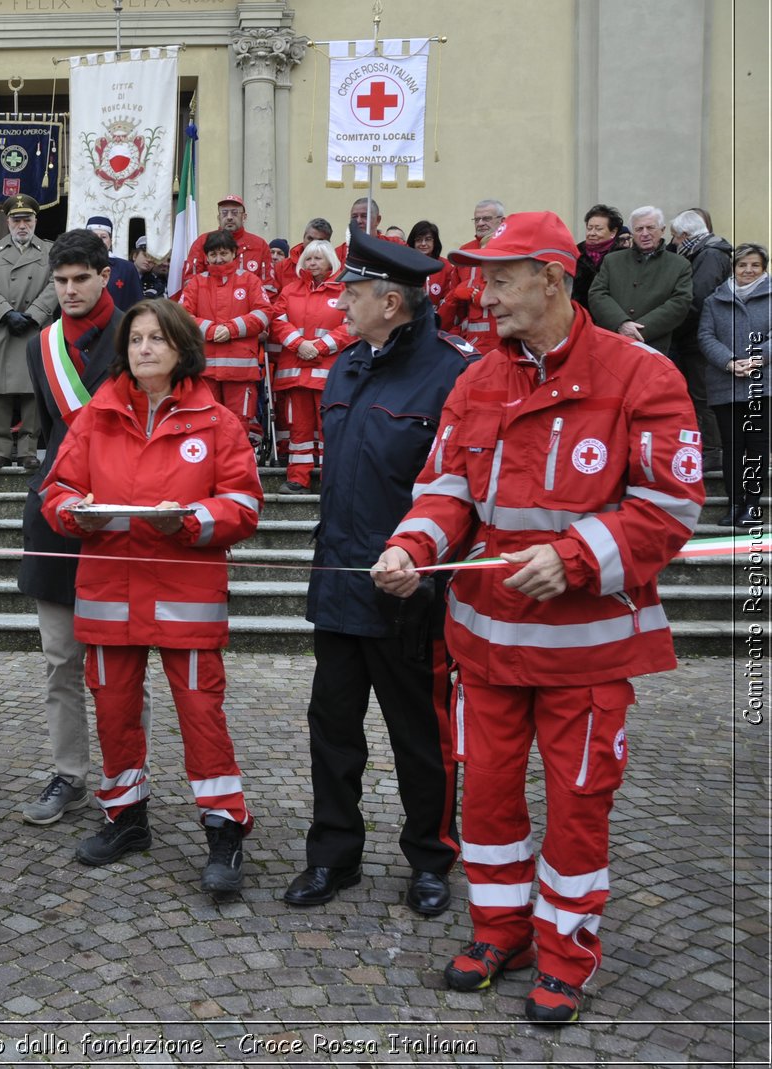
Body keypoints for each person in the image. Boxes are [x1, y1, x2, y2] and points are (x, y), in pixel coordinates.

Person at [373, 211, 703, 1025]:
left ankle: (565, 952)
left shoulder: (641, 375)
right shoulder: (476, 379)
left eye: (498, 278)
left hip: (584, 658)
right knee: (483, 798)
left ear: (552, 277)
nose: (480, 294)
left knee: (578, 805)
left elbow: (670, 507)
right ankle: (500, 930)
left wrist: (578, 555)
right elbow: (446, 488)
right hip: (485, 646)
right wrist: (414, 547)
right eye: (480, 279)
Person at [40, 298, 263, 892]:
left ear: (182, 348)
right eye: (136, 338)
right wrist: (74, 514)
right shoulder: (95, 417)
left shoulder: (218, 422)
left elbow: (243, 506)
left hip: (184, 599)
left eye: (157, 339)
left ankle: (224, 830)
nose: (143, 348)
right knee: (114, 716)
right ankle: (125, 817)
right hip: (111, 597)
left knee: (202, 718)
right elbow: (58, 490)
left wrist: (190, 521)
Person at [283, 231, 474, 916]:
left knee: (420, 738)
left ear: (391, 301)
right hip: (339, 581)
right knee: (332, 731)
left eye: (352, 292)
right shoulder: (345, 365)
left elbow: (463, 489)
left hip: (410, 594)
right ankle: (333, 855)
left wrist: (426, 572)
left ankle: (430, 856)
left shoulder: (454, 372)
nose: (340, 301)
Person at [17, 229, 123, 825]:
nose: (70, 290)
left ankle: (125, 777)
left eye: (81, 278)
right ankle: (69, 774)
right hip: (56, 517)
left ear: (104, 275)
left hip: (121, 516)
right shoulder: (43, 346)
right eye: (60, 281)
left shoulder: (142, 331)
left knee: (119, 663)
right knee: (60, 660)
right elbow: (56, 430)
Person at [0, 194, 59, 468]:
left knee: (32, 390)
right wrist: (6, 313)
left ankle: (28, 449)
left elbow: (54, 286)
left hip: (34, 327)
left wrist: (33, 315)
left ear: (35, 221)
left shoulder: (49, 250)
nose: (22, 225)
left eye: (27, 219)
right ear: (7, 222)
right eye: (16, 220)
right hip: (2, 327)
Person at [175, 229, 273, 447]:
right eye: (212, 255)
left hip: (240, 372)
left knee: (237, 426)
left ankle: (236, 474)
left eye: (223, 253)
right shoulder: (196, 283)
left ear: (234, 254)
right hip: (204, 370)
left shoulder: (250, 281)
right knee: (204, 422)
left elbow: (264, 312)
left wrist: (232, 329)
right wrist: (209, 330)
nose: (218, 259)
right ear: (205, 257)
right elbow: (181, 316)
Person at [271, 239, 355, 493]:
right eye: (308, 258)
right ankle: (298, 478)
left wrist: (319, 346)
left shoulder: (344, 291)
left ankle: (333, 479)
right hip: (296, 373)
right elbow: (276, 320)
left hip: (329, 374)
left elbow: (351, 325)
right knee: (299, 428)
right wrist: (299, 344)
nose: (312, 263)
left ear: (331, 261)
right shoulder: (290, 290)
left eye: (318, 258)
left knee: (330, 427)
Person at [698, 242, 770, 527]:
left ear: (763, 268)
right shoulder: (714, 300)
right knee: (732, 446)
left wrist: (756, 360)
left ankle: (751, 506)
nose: (748, 270)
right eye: (742, 265)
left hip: (762, 384)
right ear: (734, 268)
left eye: (755, 265)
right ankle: (734, 504)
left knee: (756, 447)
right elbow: (705, 336)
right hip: (724, 382)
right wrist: (729, 362)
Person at [670, 209, 736, 470]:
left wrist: (673, 326)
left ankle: (712, 450)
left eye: (675, 237)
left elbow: (697, 299)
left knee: (701, 394)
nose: (673, 243)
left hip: (699, 338)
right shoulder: (706, 252)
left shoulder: (708, 255)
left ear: (686, 235)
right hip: (696, 335)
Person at [588, 205, 694, 358]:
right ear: (632, 233)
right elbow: (597, 294)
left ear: (662, 230)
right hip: (611, 343)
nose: (645, 234)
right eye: (639, 229)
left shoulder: (680, 265)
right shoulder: (612, 261)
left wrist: (638, 331)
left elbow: (680, 303)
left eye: (650, 228)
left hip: (652, 346)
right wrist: (621, 324)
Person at [439, 198, 506, 353]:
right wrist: (454, 296)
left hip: (507, 343)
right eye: (477, 219)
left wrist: (480, 293)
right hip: (473, 346)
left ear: (502, 221)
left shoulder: (512, 252)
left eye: (487, 218)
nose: (481, 223)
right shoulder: (463, 253)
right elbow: (452, 313)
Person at [184, 194, 272, 285]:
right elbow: (190, 283)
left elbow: (268, 285)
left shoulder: (260, 245)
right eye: (224, 213)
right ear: (219, 218)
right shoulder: (202, 242)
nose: (229, 217)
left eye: (235, 213)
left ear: (244, 217)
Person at [85, 215, 145, 311]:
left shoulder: (127, 268)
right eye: (94, 237)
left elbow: (137, 303)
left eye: (103, 237)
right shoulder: (77, 265)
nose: (99, 241)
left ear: (111, 241)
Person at [571, 205, 623, 309]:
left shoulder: (622, 256)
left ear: (613, 232)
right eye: (589, 228)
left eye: (598, 229)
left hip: (611, 316)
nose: (592, 233)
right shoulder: (574, 253)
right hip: (580, 315)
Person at [407, 221, 461, 309]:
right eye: (419, 240)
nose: (423, 244)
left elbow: (449, 297)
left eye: (428, 239)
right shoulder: (405, 264)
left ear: (435, 242)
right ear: (413, 242)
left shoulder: (445, 266)